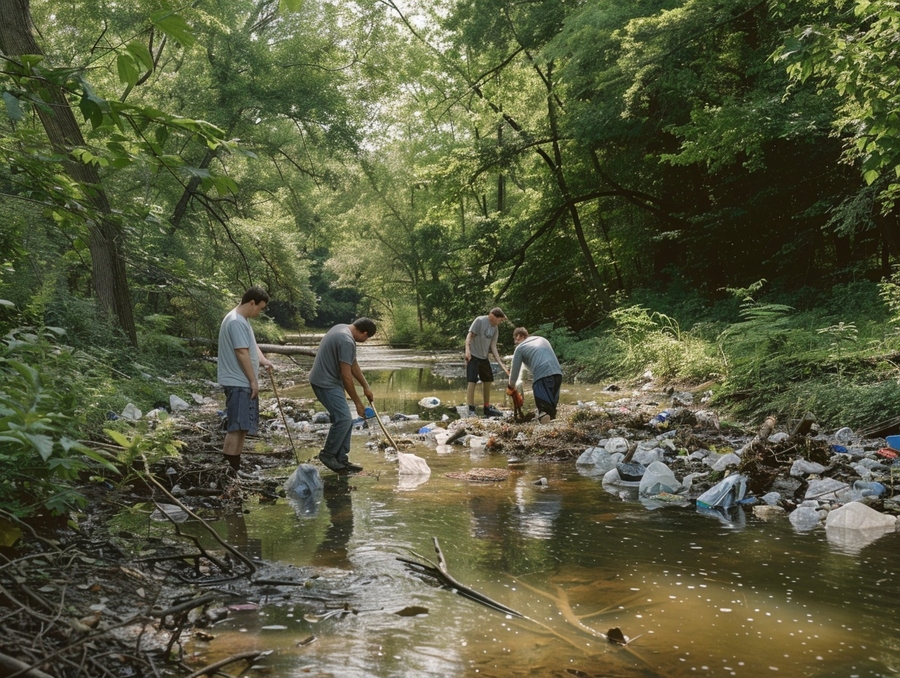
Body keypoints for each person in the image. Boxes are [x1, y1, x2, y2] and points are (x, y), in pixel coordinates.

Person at [309, 318, 377, 473]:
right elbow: (346, 376)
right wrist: (358, 403)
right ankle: (328, 454)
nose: (365, 341)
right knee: (344, 419)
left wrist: (366, 387)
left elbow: (352, 363)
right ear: (364, 333)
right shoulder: (346, 340)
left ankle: (341, 459)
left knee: (346, 419)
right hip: (325, 382)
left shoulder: (341, 328)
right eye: (367, 338)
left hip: (329, 380)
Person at [218, 286, 274, 473]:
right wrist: (253, 381)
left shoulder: (243, 320)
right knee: (236, 427)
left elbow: (251, 345)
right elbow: (241, 352)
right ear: (252, 302)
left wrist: (264, 361)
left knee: (242, 427)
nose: (259, 312)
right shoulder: (235, 321)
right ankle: (230, 471)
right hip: (238, 381)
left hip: (242, 382)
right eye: (260, 307)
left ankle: (235, 468)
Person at [507, 327, 562, 424]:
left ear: (519, 336)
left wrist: (511, 387)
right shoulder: (541, 339)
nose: (515, 343)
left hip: (542, 376)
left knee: (543, 411)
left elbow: (514, 374)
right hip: (558, 374)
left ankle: (547, 435)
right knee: (551, 411)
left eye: (515, 339)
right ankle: (554, 431)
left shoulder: (520, 348)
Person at [465, 307, 509, 417]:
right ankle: (470, 408)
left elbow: (493, 346)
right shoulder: (479, 321)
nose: (500, 322)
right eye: (500, 320)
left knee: (488, 379)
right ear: (492, 316)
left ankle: (486, 407)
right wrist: (467, 350)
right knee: (472, 380)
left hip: (484, 357)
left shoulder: (495, 329)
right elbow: (469, 336)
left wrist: (501, 364)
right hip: (473, 355)